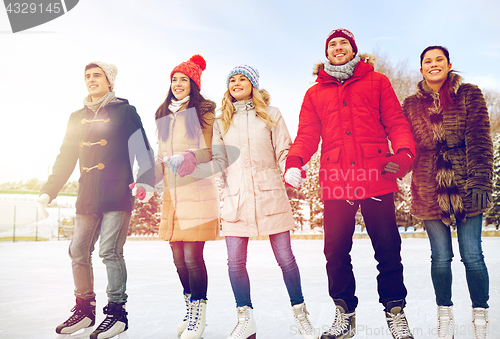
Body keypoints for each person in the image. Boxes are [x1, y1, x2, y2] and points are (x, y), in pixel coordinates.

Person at [284, 28, 416, 339]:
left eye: (344, 43)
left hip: (377, 175)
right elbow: (306, 135)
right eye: (333, 44)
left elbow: (395, 120)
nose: (338, 47)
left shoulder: (377, 81)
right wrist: (295, 161)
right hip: (336, 179)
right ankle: (344, 313)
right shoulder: (314, 93)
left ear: (353, 49)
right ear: (326, 53)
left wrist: (405, 152)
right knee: (335, 251)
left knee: (387, 249)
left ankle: (395, 312)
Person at [183, 65, 316, 339]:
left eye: (242, 79)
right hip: (236, 198)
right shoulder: (222, 122)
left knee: (286, 259)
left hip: (270, 194)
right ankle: (245, 319)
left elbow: (283, 149)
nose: (236, 83)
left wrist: (291, 168)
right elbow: (220, 161)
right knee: (234, 263)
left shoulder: (271, 114)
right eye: (232, 80)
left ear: (253, 84)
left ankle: (301, 316)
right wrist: (218, 186)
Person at [38, 61, 155, 339]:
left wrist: (146, 180)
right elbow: (65, 157)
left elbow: (142, 148)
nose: (91, 79)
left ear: (109, 81)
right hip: (87, 194)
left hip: (116, 191)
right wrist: (48, 190)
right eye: (87, 76)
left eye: (97, 75)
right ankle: (85, 310)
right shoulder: (75, 117)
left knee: (109, 252)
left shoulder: (125, 112)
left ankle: (116, 313)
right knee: (78, 250)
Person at [402, 46, 493, 339]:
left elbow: (480, 138)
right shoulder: (411, 104)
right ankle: (445, 317)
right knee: (440, 257)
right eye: (427, 61)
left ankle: (480, 317)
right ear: (421, 70)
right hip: (429, 185)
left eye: (438, 59)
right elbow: (407, 146)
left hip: (467, 181)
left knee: (473, 255)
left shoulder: (469, 94)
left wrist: (481, 180)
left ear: (449, 64)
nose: (433, 64)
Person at [153, 55, 219, 339]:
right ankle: (189, 308)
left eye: (184, 80)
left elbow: (212, 150)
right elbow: (159, 156)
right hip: (172, 193)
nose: (178, 84)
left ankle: (198, 316)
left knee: (193, 256)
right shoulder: (164, 116)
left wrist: (188, 156)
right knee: (178, 258)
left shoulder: (204, 112)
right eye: (174, 80)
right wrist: (146, 180)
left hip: (197, 189)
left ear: (194, 84)